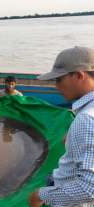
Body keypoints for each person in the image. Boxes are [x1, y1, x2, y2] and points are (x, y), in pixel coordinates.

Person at [29, 46, 94, 207]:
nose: (56, 86)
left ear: (79, 75)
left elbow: (89, 187)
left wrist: (40, 195)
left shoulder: (86, 119)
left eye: (59, 79)